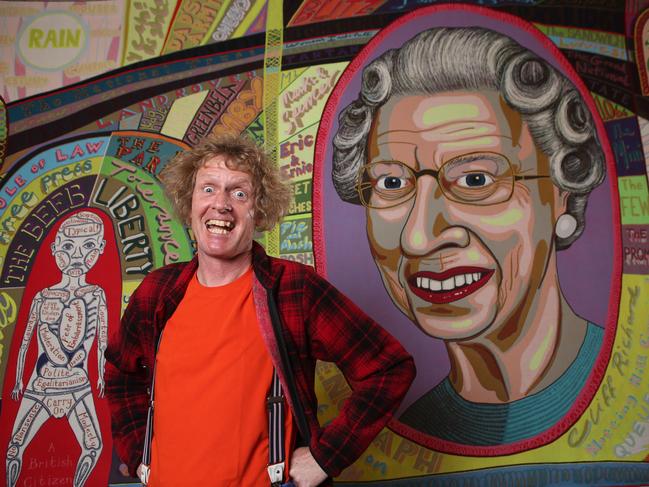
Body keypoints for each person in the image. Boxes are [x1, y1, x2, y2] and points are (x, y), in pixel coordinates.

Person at [332, 26, 606, 446]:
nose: (419, 237)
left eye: (476, 179)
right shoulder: (413, 431)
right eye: (390, 184)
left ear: (561, 196)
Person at [104, 134, 415, 486]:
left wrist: (326, 457)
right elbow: (120, 372)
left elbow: (389, 369)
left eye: (239, 193)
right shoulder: (158, 292)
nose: (221, 204)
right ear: (189, 202)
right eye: (208, 189)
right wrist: (138, 454)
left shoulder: (292, 289)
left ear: (259, 210)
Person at [7, 211, 108, 486]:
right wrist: (18, 380)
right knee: (14, 448)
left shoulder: (97, 295)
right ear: (54, 250)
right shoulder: (43, 296)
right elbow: (26, 340)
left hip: (78, 384)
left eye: (88, 246)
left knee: (93, 446)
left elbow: (102, 341)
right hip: (41, 384)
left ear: (100, 248)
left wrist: (101, 374)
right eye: (68, 247)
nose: (77, 256)